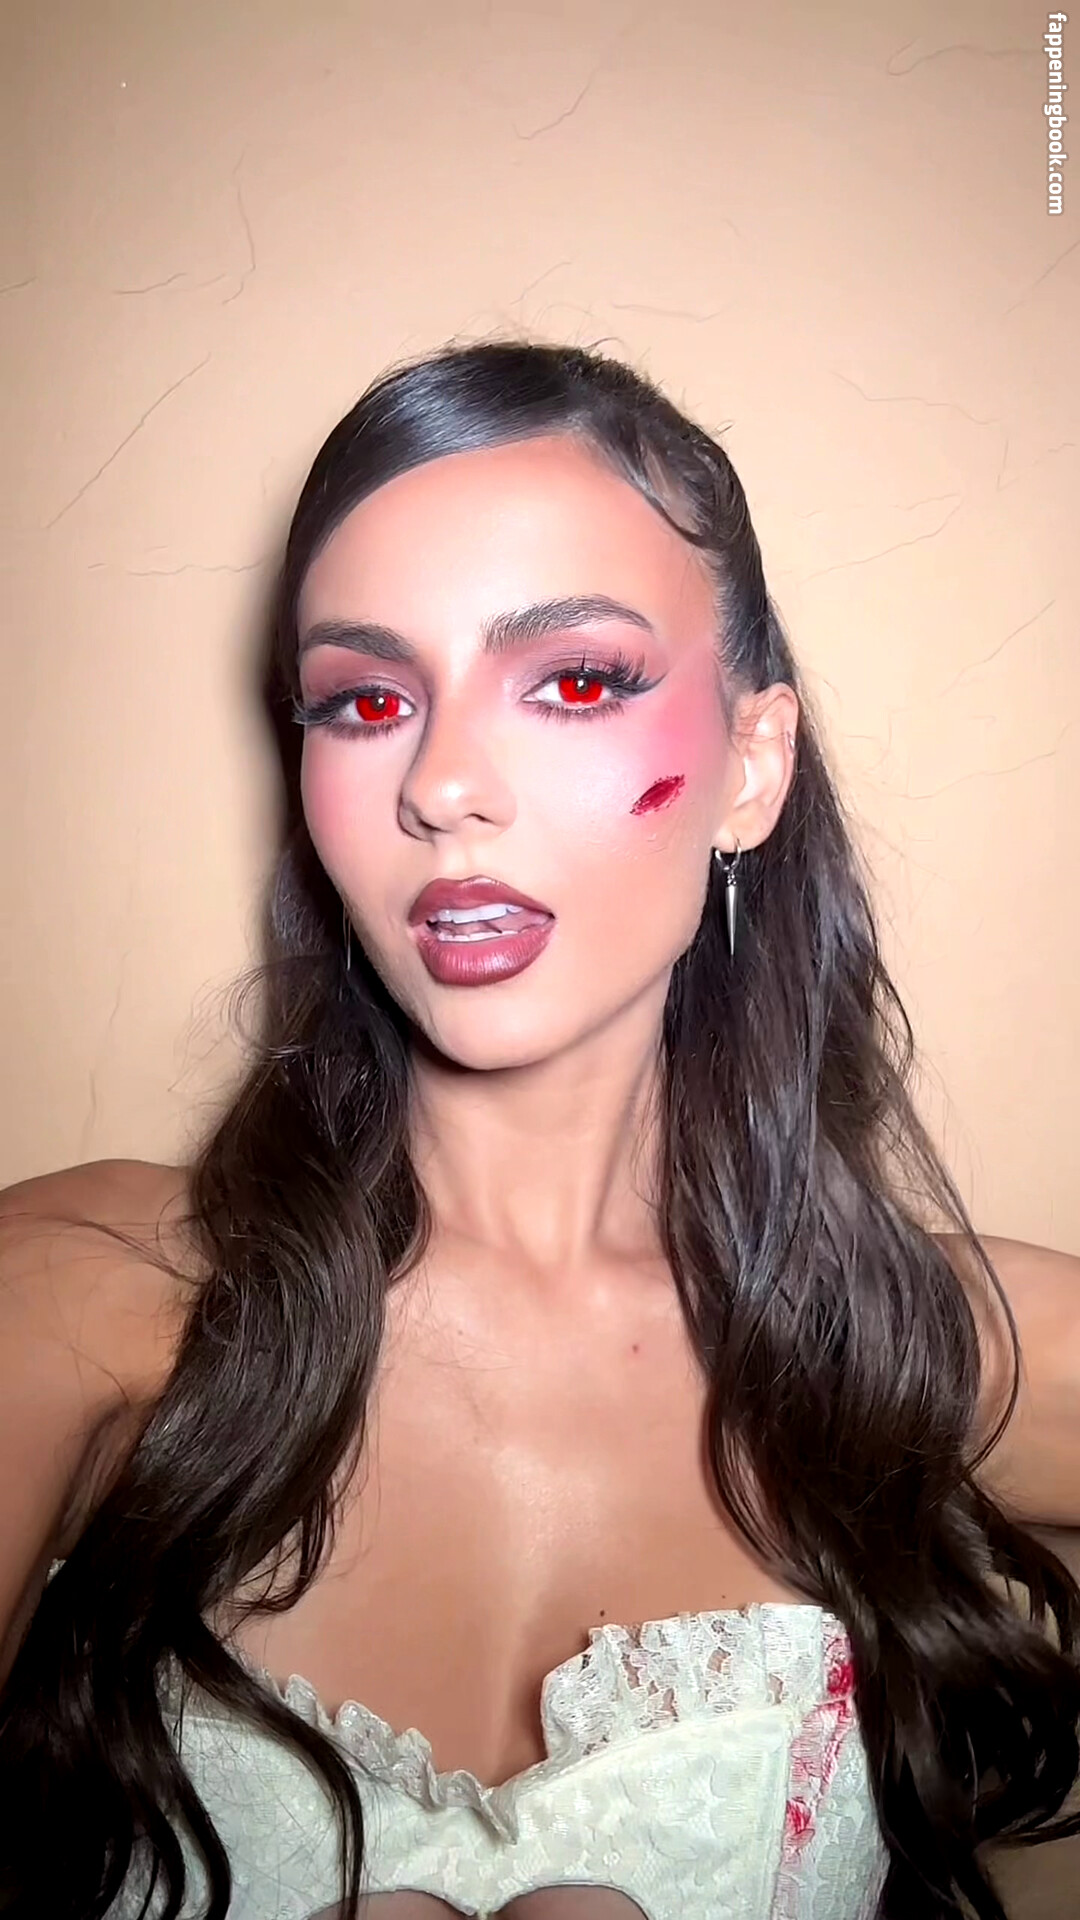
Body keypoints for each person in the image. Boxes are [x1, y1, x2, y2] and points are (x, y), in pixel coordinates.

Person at [1, 339, 1079, 1920]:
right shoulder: (75, 1295)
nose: (441, 784)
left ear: (752, 766)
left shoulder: (928, 1346)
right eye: (366, 699)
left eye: (574, 681)